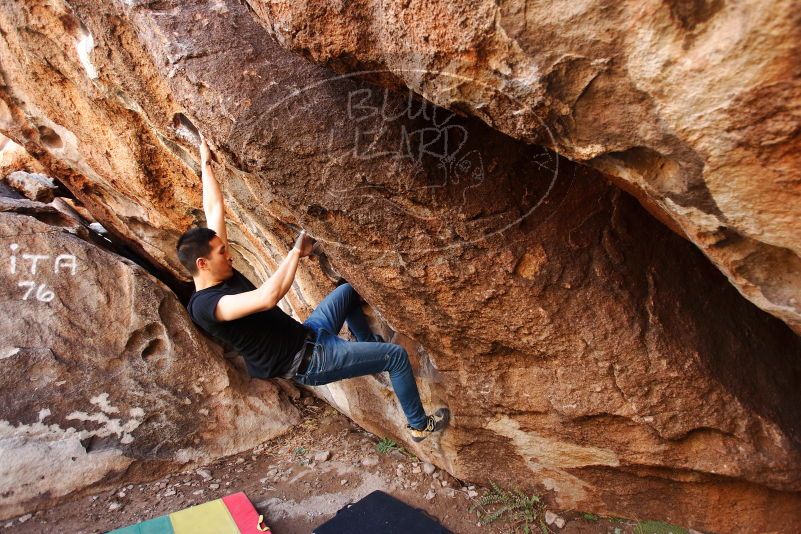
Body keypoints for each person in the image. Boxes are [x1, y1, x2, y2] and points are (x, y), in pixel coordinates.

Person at [176, 136, 448, 442]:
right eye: (221, 253)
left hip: (311, 333)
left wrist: (204, 161)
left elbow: (213, 208)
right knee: (396, 356)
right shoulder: (205, 307)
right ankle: (418, 425)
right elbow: (267, 298)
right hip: (311, 361)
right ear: (202, 263)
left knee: (347, 291)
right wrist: (295, 252)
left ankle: (366, 344)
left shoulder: (217, 270)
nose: (229, 255)